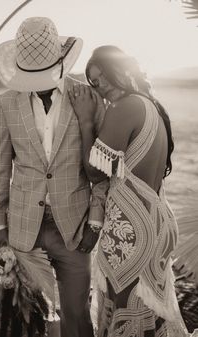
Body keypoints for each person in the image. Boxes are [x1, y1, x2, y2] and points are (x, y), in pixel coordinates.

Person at [0, 17, 108, 337]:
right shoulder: (6, 103)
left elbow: (101, 167)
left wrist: (95, 222)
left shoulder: (87, 98)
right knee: (30, 318)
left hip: (76, 228)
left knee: (77, 315)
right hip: (23, 228)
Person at [68, 45, 189, 336]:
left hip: (131, 231)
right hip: (157, 222)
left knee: (123, 311)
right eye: (95, 82)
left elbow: (96, 170)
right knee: (148, 312)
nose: (102, 86)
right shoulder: (152, 106)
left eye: (105, 76)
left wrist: (86, 121)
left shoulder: (127, 106)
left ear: (123, 70)